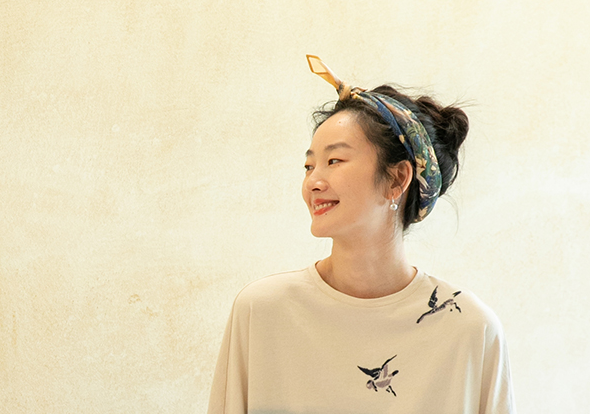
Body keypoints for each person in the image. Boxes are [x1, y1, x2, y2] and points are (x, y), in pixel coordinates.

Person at [207, 55, 515, 414]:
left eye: (334, 161)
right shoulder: (262, 312)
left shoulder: (470, 331)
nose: (313, 182)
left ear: (397, 178)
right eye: (308, 165)